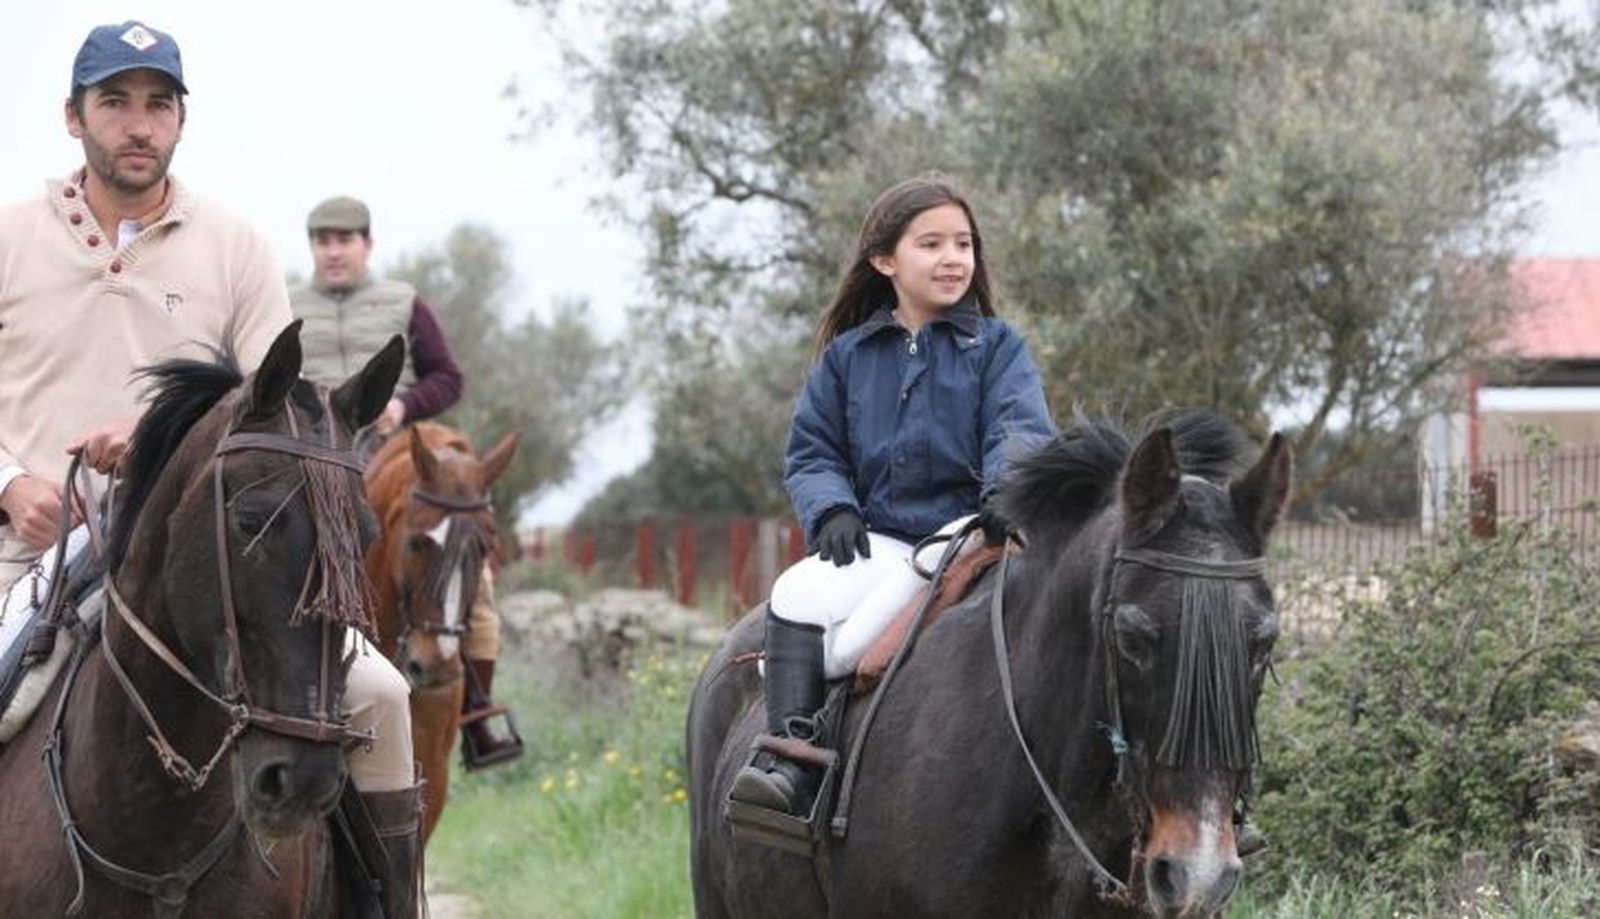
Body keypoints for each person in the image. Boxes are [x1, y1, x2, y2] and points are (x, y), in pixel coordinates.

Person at [0, 23, 422, 916]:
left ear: (181, 122)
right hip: (27, 554)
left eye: (158, 105)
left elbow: (289, 412)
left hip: (204, 564)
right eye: (115, 102)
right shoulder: (8, 237)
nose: (138, 124)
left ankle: (386, 904)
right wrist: (10, 483)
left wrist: (155, 430)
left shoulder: (234, 245)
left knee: (380, 696)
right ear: (73, 117)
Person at [729, 176, 1056, 817]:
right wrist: (832, 509)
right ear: (885, 261)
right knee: (796, 593)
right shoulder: (847, 358)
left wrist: (1006, 491)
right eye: (931, 243)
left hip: (968, 532)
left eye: (963, 243)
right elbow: (813, 451)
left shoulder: (998, 348)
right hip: (878, 539)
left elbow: (1020, 430)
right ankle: (789, 763)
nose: (953, 257)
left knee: (853, 648)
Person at [289, 197, 521, 768]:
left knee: (477, 591)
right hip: (312, 460)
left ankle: (478, 714)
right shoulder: (286, 305)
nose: (334, 251)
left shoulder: (403, 302)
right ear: (312, 248)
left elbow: (449, 378)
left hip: (395, 453)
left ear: (367, 245)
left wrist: (402, 404)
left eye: (345, 239)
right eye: (323, 241)